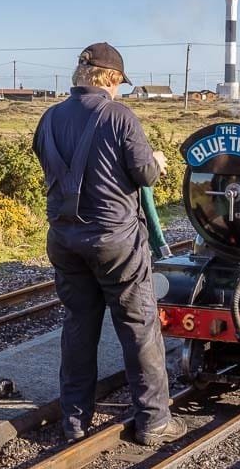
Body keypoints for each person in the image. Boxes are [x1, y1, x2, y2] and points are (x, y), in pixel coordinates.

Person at [33, 42, 187, 447]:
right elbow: (144, 175)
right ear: (111, 79)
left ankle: (75, 420)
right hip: (116, 242)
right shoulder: (120, 117)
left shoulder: (48, 119)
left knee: (79, 327)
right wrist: (156, 160)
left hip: (65, 240)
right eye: (119, 84)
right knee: (138, 326)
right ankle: (154, 420)